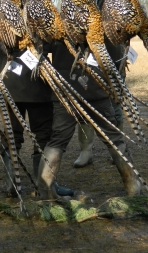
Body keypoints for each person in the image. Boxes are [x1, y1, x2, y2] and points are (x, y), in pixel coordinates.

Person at [0, 0, 73, 197]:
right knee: (38, 135)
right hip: (34, 81)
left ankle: (22, 185)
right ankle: (41, 186)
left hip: (11, 81)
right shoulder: (29, 9)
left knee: (17, 135)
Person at [38, 38, 141, 198]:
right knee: (114, 139)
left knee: (57, 140)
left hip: (67, 87)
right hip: (94, 86)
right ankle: (133, 188)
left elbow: (42, 48)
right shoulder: (98, 17)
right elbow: (114, 52)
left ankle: (45, 193)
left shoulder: (59, 18)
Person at [73, 0, 127, 168]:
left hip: (112, 59)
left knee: (114, 106)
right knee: (84, 106)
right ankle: (86, 151)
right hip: (85, 62)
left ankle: (117, 150)